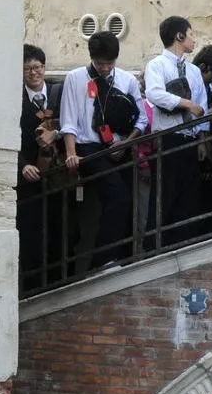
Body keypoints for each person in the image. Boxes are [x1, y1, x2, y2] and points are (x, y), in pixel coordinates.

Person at [59, 31, 147, 268]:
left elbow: (141, 119)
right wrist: (70, 153)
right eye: (100, 63)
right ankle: (101, 260)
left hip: (121, 146)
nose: (105, 68)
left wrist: (126, 143)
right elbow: (68, 121)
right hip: (89, 148)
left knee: (128, 201)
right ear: (92, 58)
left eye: (110, 63)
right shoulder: (75, 78)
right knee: (117, 197)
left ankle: (124, 259)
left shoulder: (127, 80)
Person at [143, 16, 210, 248]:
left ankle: (182, 244)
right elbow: (154, 94)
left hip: (189, 139)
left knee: (188, 196)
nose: (194, 40)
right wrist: (185, 103)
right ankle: (154, 247)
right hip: (168, 138)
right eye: (191, 34)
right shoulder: (157, 65)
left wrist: (202, 138)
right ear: (179, 36)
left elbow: (202, 104)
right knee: (164, 194)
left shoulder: (193, 71)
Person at [16, 44, 69, 288]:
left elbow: (75, 123)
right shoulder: (13, 100)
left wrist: (56, 133)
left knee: (63, 230)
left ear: (44, 68)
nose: (33, 73)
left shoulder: (60, 94)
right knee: (30, 234)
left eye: (36, 67)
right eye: (27, 68)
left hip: (60, 175)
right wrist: (22, 165)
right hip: (30, 177)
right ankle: (31, 288)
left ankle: (60, 284)